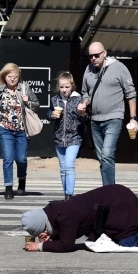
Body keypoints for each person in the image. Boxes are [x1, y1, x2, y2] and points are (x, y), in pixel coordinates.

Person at [21, 184, 138, 253]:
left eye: (43, 230)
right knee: (132, 236)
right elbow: (66, 232)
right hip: (116, 199)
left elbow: (67, 244)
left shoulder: (65, 216)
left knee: (127, 241)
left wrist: (41, 246)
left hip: (118, 205)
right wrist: (51, 237)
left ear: (44, 225)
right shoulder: (53, 210)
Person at [77, 41, 138, 186]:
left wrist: (133, 118)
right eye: (91, 56)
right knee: (103, 158)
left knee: (107, 155)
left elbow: (131, 94)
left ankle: (108, 191)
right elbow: (86, 93)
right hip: (95, 120)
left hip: (114, 118)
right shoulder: (88, 69)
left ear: (105, 53)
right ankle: (109, 189)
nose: (93, 59)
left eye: (97, 55)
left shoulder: (119, 68)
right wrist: (84, 104)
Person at [0, 63, 40, 200]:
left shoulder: (24, 88)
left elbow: (37, 106)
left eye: (15, 77)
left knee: (21, 159)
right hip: (5, 130)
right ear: (4, 77)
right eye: (9, 76)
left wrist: (28, 102)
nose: (12, 79)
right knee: (8, 158)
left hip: (22, 130)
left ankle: (22, 180)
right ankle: (8, 187)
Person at [49, 72, 85, 200]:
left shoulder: (79, 99)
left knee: (69, 165)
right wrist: (51, 115)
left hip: (74, 136)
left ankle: (70, 194)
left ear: (72, 86)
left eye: (67, 87)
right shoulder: (55, 99)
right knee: (63, 168)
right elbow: (49, 112)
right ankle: (66, 194)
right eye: (62, 87)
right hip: (59, 137)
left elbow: (85, 117)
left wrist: (82, 113)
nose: (64, 90)